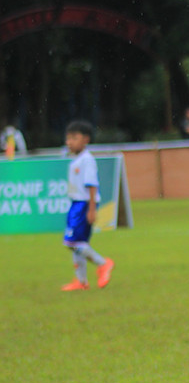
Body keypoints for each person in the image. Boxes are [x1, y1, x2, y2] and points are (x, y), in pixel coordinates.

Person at [61, 121, 115, 291]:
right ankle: (81, 281)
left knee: (72, 242)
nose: (69, 142)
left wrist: (91, 209)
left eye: (74, 138)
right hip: (76, 203)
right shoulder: (77, 160)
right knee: (79, 243)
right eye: (68, 138)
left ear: (85, 140)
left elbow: (92, 185)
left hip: (83, 204)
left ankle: (103, 263)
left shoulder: (87, 160)